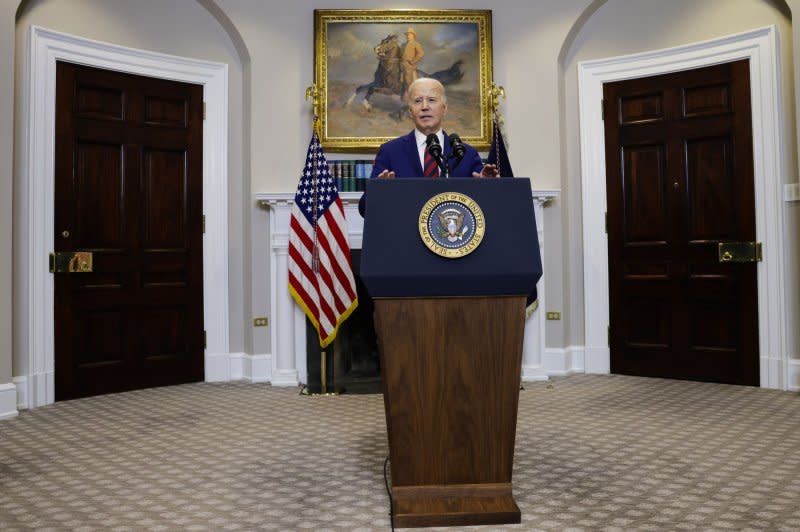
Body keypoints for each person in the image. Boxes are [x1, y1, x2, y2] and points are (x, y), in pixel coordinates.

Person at [359, 77, 499, 216]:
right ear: (410, 111)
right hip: (404, 236)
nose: (424, 107)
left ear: (444, 109)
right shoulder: (390, 152)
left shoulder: (466, 153)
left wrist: (488, 187)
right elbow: (364, 209)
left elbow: (489, 207)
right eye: (418, 101)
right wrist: (380, 191)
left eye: (431, 100)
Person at [401, 28, 424, 100]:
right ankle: (403, 98)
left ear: (413, 36)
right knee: (401, 82)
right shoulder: (403, 44)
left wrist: (413, 61)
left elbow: (421, 53)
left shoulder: (416, 44)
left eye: (410, 34)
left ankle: (411, 99)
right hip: (402, 65)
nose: (408, 36)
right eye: (407, 35)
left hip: (409, 65)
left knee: (408, 82)